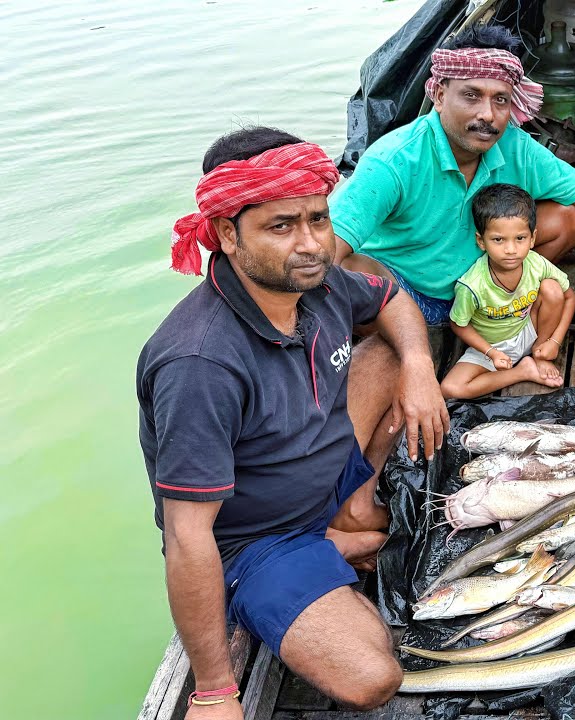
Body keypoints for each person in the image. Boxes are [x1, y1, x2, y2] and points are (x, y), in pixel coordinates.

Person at [141, 127, 451, 716]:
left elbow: (389, 297)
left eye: (318, 218)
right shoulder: (199, 363)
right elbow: (187, 535)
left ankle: (346, 515)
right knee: (373, 674)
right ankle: (317, 553)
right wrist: (213, 691)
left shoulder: (319, 282)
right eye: (281, 226)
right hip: (257, 540)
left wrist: (417, 364)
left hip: (320, 469)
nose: (310, 243)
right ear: (228, 234)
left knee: (386, 352)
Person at [330, 24, 575, 360]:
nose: (488, 115)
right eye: (471, 96)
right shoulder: (394, 159)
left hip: (479, 285)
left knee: (569, 219)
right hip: (404, 296)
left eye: (500, 100)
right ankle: (411, 344)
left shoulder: (517, 146)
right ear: (439, 96)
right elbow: (325, 253)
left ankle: (498, 303)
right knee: (350, 271)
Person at [440, 184, 575, 398]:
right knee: (451, 388)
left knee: (552, 288)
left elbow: (569, 297)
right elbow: (458, 325)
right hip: (491, 346)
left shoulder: (536, 263)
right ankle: (523, 371)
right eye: (498, 240)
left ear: (532, 238)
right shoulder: (472, 285)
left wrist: (553, 342)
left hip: (530, 331)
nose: (511, 250)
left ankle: (540, 355)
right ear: (481, 241)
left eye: (520, 238)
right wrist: (491, 352)